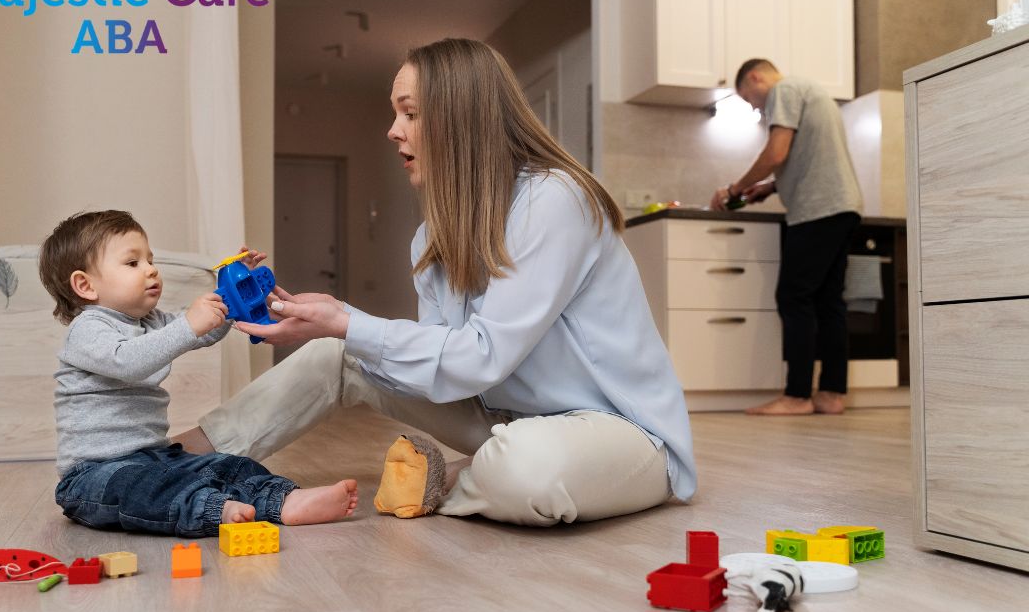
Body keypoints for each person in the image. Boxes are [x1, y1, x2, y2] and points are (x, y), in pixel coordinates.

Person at [172, 38, 696, 527]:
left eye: (410, 113)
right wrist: (336, 326)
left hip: (620, 432)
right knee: (340, 353)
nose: (393, 130)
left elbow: (482, 356)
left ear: (460, 120)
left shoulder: (554, 201)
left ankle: (453, 477)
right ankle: (178, 460)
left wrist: (350, 321)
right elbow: (447, 371)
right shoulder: (431, 239)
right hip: (504, 417)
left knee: (526, 467)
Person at [38, 210, 358, 537]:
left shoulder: (151, 322)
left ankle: (284, 500)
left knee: (228, 465)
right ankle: (214, 509)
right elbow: (129, 362)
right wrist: (188, 325)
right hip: (93, 475)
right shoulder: (88, 330)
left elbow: (203, 331)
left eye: (150, 260)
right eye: (133, 263)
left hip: (155, 457)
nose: (151, 270)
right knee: (142, 488)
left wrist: (234, 297)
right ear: (85, 285)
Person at [708, 59, 864, 416]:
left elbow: (777, 151)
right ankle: (831, 395)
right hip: (843, 206)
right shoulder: (811, 91)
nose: (755, 108)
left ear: (756, 77)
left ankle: (796, 396)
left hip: (817, 210)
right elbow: (808, 157)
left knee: (794, 298)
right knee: (829, 303)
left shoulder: (784, 90)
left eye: (750, 99)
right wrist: (769, 187)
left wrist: (735, 187)